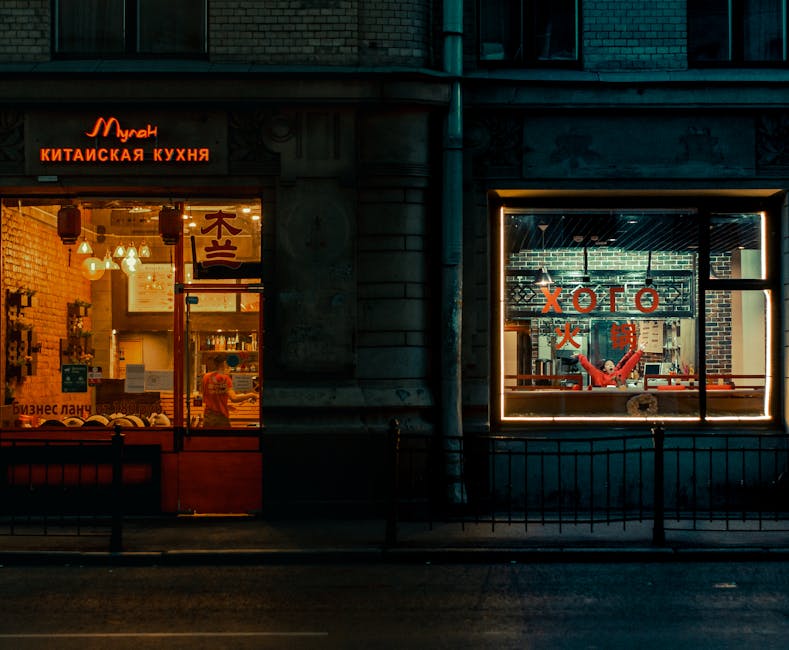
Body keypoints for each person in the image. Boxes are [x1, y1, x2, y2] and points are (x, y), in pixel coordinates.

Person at [201, 355, 257, 428]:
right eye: (228, 364)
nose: (229, 367)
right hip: (220, 417)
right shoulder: (225, 378)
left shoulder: (205, 377)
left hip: (208, 416)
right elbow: (234, 398)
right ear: (224, 364)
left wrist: (225, 405)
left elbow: (208, 396)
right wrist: (251, 395)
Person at [575, 346, 644, 388]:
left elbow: (629, 364)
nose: (611, 365)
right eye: (608, 364)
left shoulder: (620, 373)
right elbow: (588, 367)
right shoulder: (599, 375)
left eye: (612, 364)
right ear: (604, 369)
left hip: (618, 397)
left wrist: (639, 352)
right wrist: (580, 356)